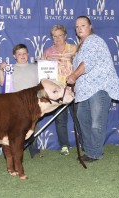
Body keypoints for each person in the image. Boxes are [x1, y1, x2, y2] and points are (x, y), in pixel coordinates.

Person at [66, 16, 119, 162]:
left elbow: (87, 63)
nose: (79, 28)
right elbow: (80, 65)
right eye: (77, 26)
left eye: (83, 25)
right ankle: (90, 151)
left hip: (99, 87)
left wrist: (74, 76)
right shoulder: (81, 45)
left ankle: (95, 153)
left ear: (90, 26)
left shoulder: (94, 40)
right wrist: (73, 87)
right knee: (83, 118)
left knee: (96, 121)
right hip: (84, 90)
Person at [42, 24, 81, 155]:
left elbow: (82, 67)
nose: (58, 38)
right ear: (52, 37)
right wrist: (42, 62)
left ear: (65, 35)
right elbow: (44, 75)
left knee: (79, 117)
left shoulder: (75, 49)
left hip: (74, 89)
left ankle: (85, 143)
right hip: (57, 92)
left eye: (60, 35)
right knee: (60, 119)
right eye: (55, 36)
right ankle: (64, 145)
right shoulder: (48, 52)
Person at [0, 43, 43, 158]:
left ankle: (35, 151)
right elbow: (2, 83)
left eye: (24, 53)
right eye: (19, 54)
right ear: (14, 56)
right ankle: (15, 150)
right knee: (17, 129)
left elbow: (43, 82)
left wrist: (45, 64)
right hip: (17, 104)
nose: (22, 56)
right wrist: (1, 70)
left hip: (33, 103)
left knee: (33, 127)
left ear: (28, 54)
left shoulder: (35, 67)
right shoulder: (10, 69)